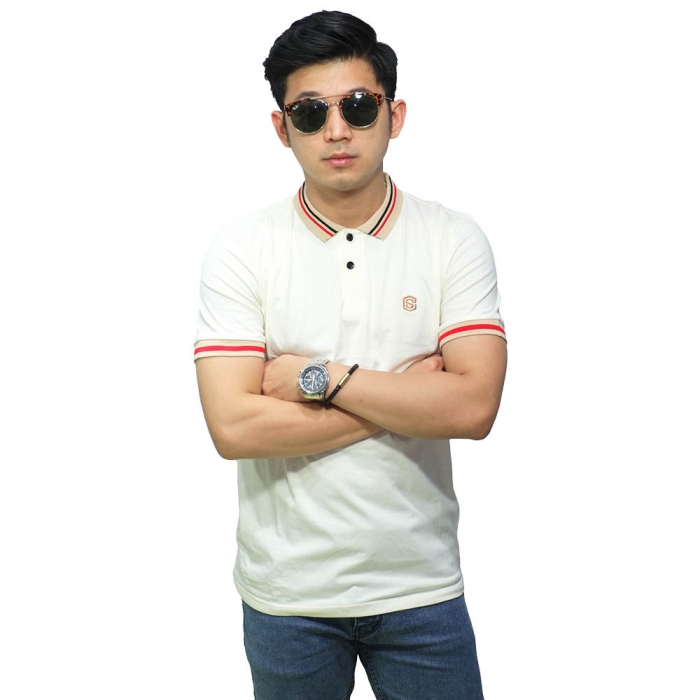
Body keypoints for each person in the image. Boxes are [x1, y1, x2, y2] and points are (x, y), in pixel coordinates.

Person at [194, 10, 506, 700]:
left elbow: (474, 408)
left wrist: (321, 378)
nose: (337, 130)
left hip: (421, 587)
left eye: (358, 106)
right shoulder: (243, 248)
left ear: (395, 115)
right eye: (310, 113)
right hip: (287, 595)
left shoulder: (452, 240)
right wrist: (405, 397)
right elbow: (234, 428)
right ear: (282, 129)